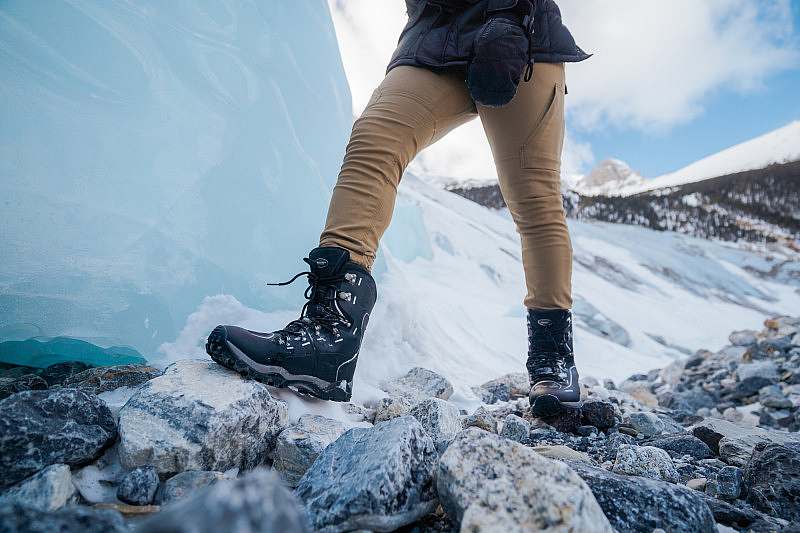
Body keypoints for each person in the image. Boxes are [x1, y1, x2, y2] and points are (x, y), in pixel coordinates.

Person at [206, 0, 589, 416]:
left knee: (534, 199)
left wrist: (508, 14)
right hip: (436, 34)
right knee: (374, 139)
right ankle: (329, 337)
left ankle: (553, 359)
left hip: (521, 28)